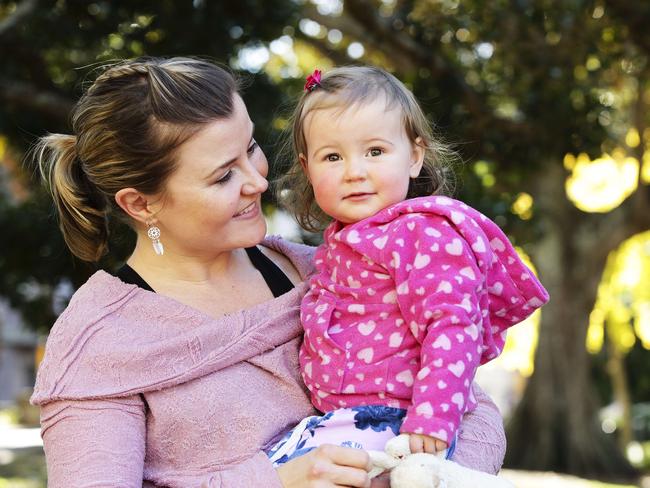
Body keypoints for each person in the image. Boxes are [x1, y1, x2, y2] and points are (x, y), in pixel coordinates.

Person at [30, 57, 508, 488]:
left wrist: (424, 474)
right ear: (140, 203)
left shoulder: (318, 270)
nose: (259, 181)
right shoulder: (100, 345)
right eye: (223, 175)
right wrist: (273, 481)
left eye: (252, 148)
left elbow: (471, 408)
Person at [270, 66, 549, 466]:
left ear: (414, 156)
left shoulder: (423, 233)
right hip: (340, 421)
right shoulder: (341, 240)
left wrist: (432, 420)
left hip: (400, 422)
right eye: (332, 156)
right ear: (307, 166)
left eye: (375, 151)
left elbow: (453, 326)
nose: (355, 171)